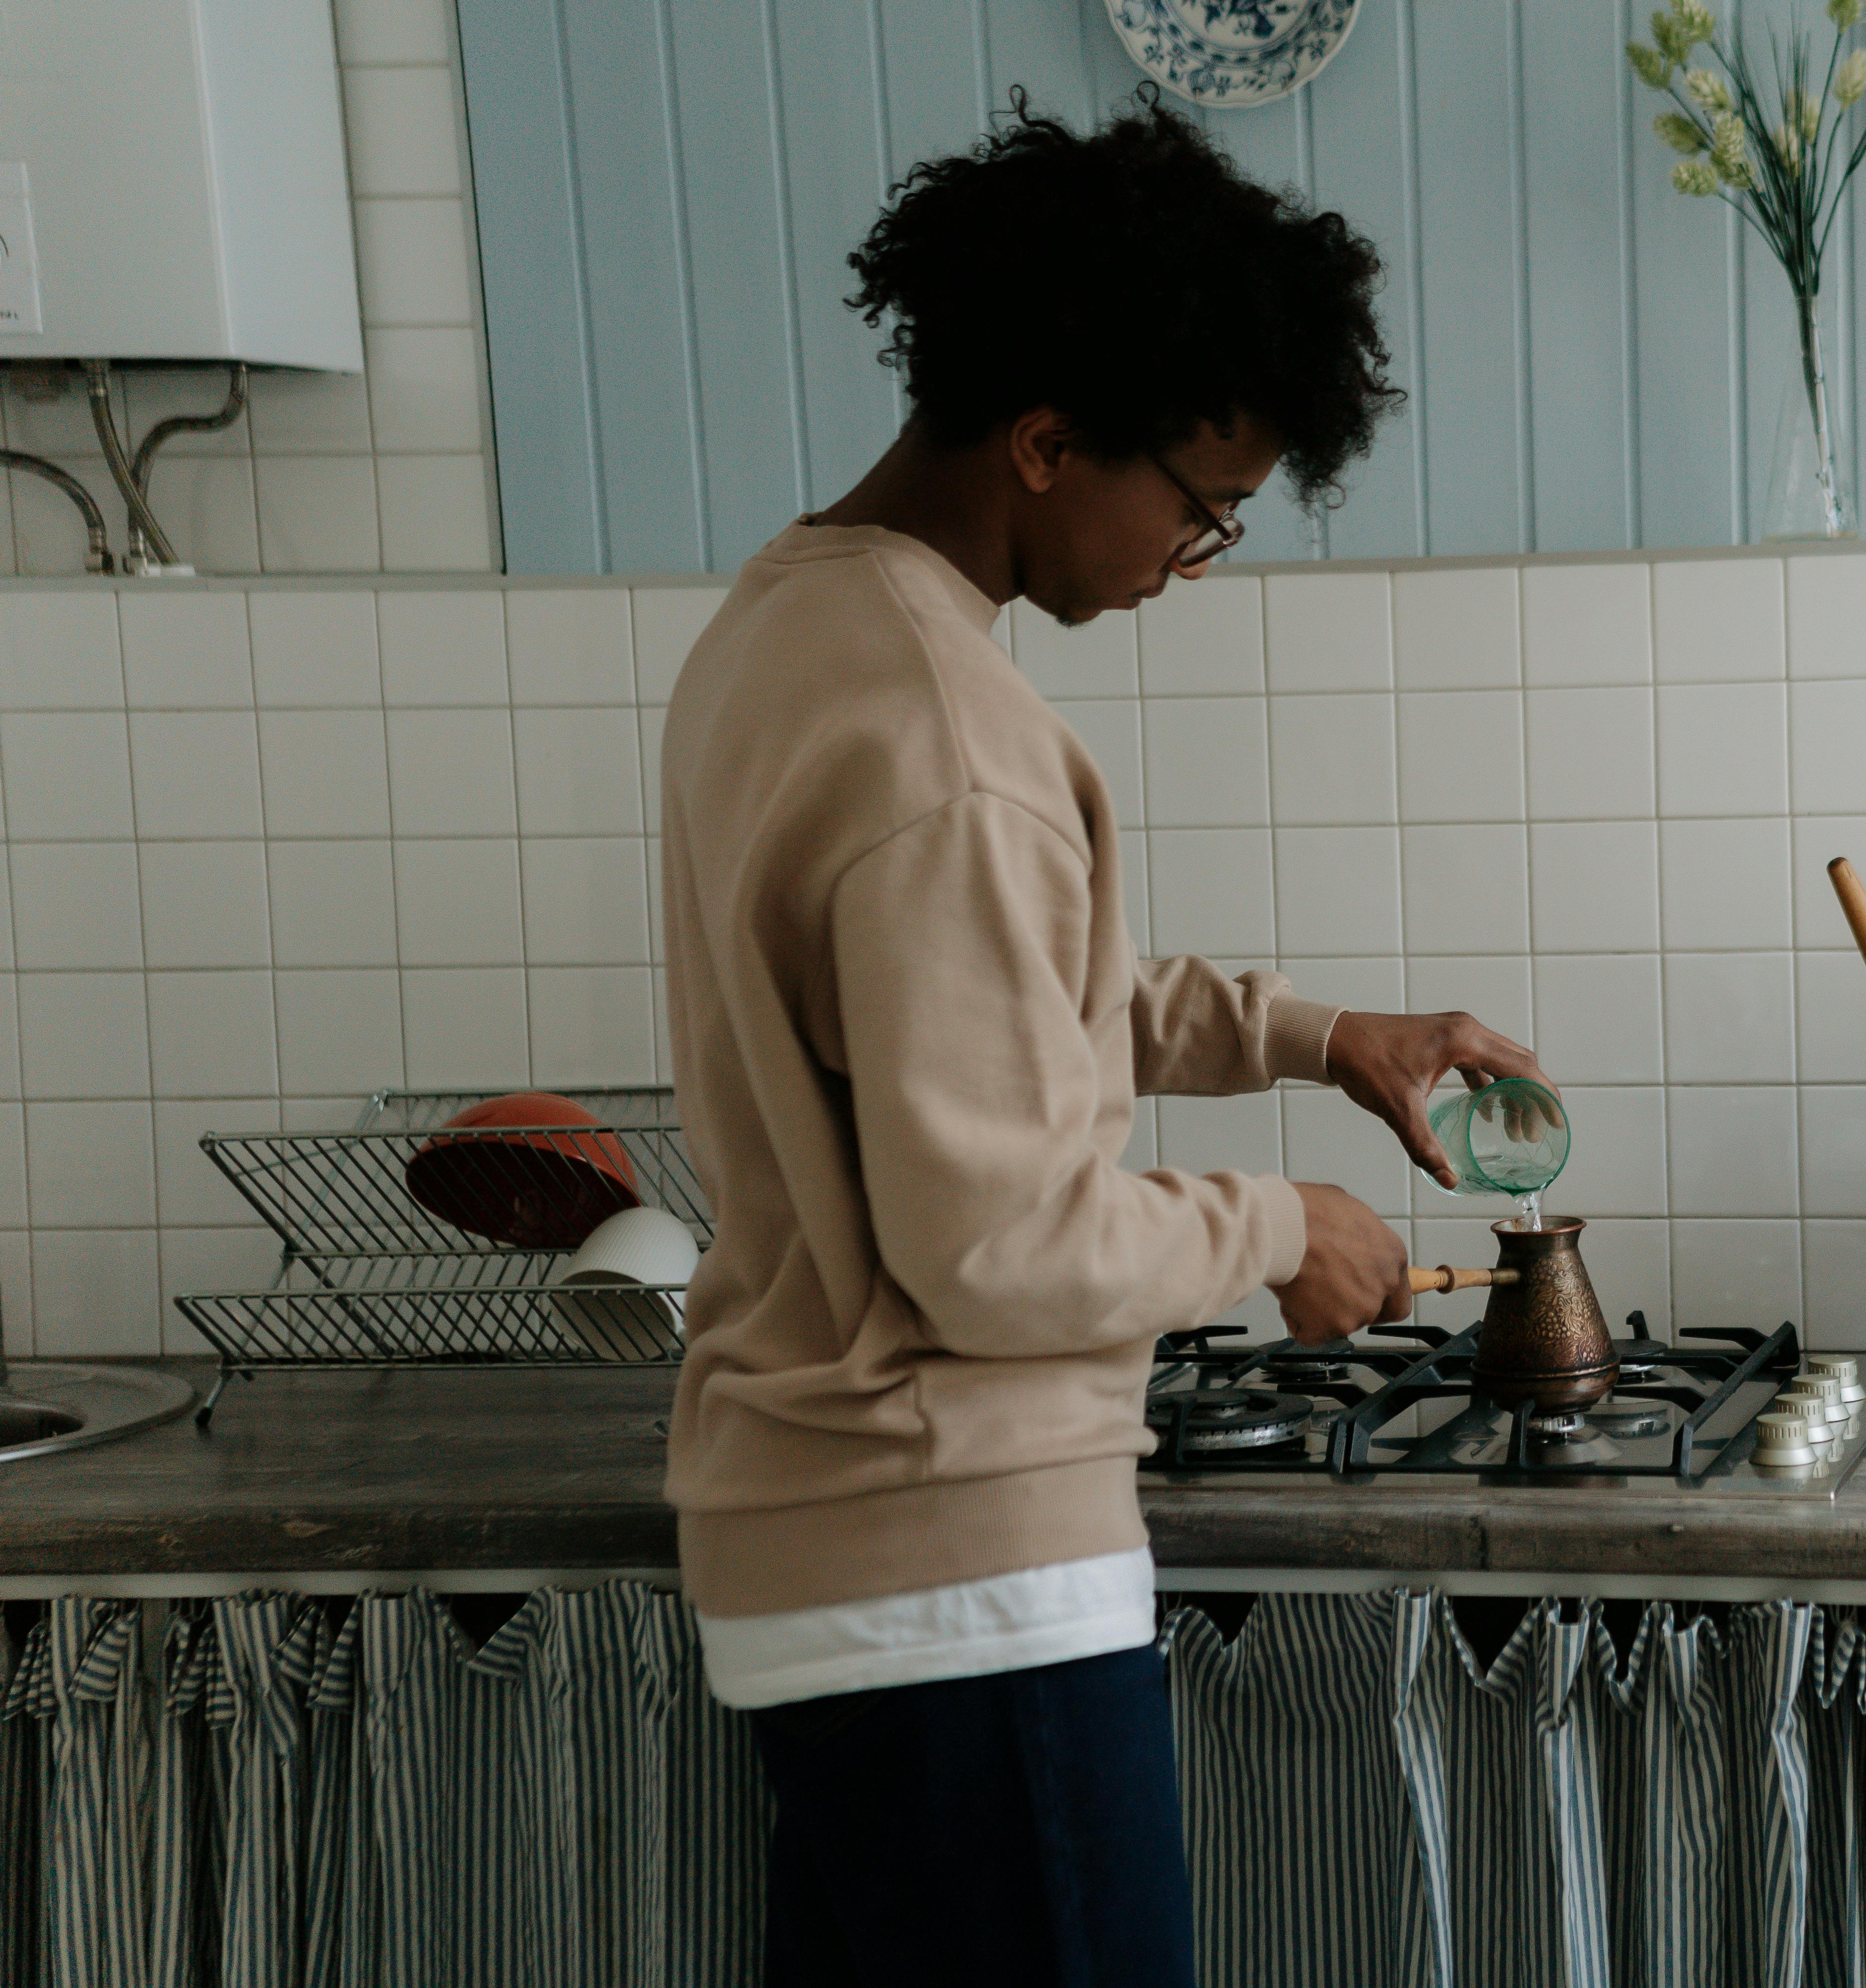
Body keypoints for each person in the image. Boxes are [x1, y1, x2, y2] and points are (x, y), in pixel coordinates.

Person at [656, 91, 1549, 1987]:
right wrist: (1281, 1227)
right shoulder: (947, 738)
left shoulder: (789, 628)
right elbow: (999, 1248)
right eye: (1204, 507)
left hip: (841, 1571)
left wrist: (1319, 1033)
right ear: (1050, 441)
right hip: (958, 1582)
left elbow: (982, 1005)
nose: (1195, 555)